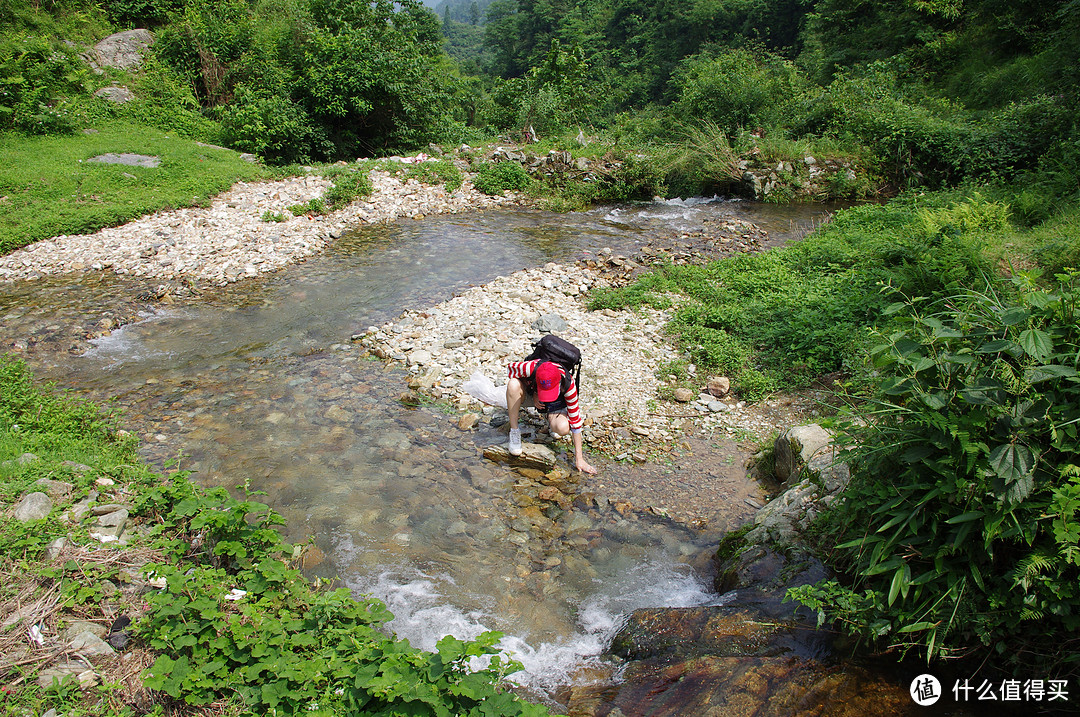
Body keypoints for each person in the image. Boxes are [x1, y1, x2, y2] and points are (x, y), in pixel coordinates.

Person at [505, 357, 597, 474]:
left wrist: (579, 459)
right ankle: (514, 431)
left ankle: (549, 420)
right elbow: (510, 370)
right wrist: (533, 391)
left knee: (563, 428)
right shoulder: (528, 368)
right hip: (532, 394)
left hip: (555, 404)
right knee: (513, 384)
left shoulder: (568, 385)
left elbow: (576, 423)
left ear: (559, 382)